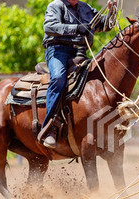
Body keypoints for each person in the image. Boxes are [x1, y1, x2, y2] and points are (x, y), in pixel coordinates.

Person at [39, 0, 117, 149]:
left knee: (97, 80)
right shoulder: (56, 6)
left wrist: (112, 11)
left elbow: (103, 24)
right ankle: (50, 127)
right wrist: (77, 28)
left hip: (80, 52)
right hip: (57, 50)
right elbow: (49, 27)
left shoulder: (85, 8)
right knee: (58, 78)